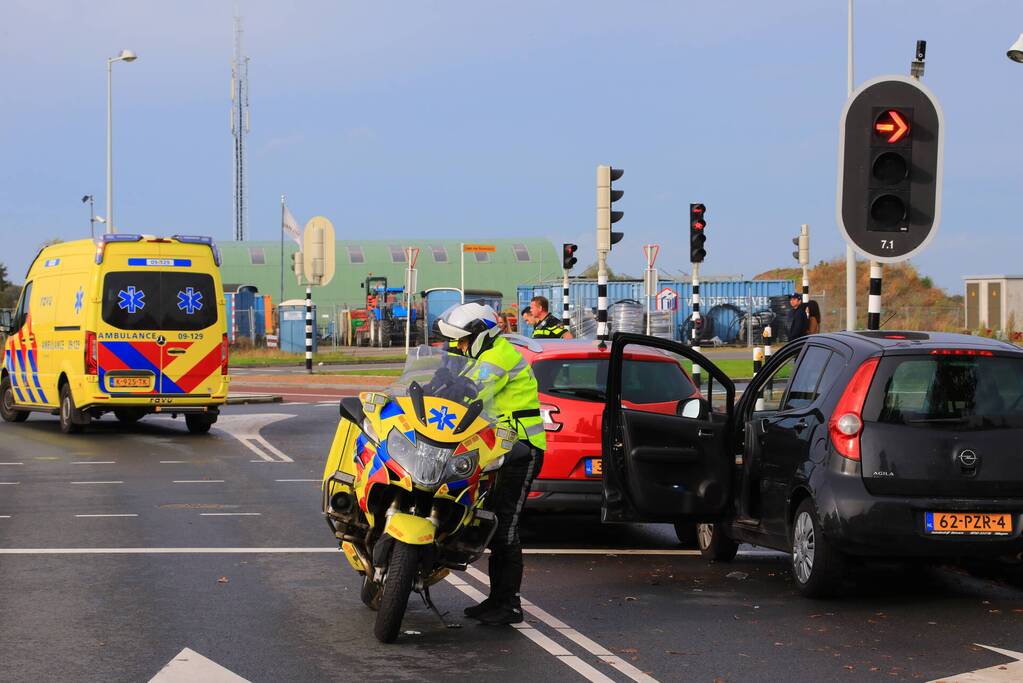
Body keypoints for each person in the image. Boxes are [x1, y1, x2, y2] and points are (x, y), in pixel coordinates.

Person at [437, 303, 546, 626]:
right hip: (498, 451)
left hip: (520, 450)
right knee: (490, 523)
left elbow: (471, 391)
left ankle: (509, 604)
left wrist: (450, 383)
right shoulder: (486, 355)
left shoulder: (499, 356)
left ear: (481, 334)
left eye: (462, 341)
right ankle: (496, 598)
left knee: (505, 526)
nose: (459, 347)